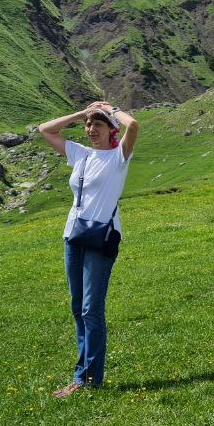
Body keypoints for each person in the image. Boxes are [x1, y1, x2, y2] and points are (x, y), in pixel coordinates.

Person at [38, 100, 138, 397]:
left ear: (111, 130)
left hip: (101, 238)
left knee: (91, 310)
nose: (91, 130)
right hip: (74, 236)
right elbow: (46, 130)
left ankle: (87, 380)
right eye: (88, 125)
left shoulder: (119, 157)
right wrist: (83, 112)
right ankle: (82, 375)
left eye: (98, 125)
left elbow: (133, 126)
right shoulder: (81, 154)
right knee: (77, 307)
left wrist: (112, 108)